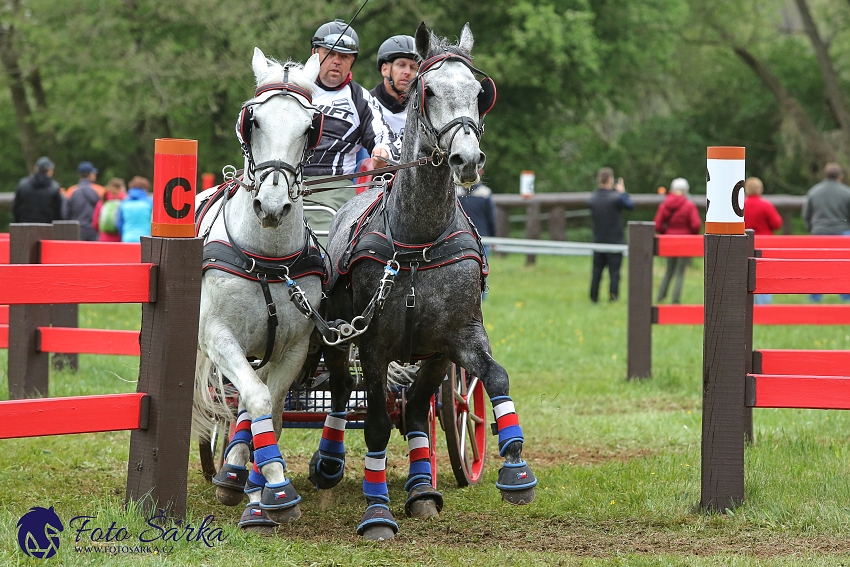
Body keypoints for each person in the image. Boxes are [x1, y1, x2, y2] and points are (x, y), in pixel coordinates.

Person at [305, 19, 398, 233]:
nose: (336, 61)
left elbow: (381, 137)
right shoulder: (291, 88)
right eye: (329, 53)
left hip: (334, 186)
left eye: (344, 56)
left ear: (352, 61)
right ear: (314, 53)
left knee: (320, 252)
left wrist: (381, 152)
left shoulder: (361, 99)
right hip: (283, 179)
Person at [803, 163, 850, 302]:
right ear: (840, 176)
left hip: (819, 232)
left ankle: (815, 296)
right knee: (845, 265)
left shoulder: (814, 191)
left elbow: (806, 214)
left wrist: (811, 229)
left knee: (817, 266)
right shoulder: (846, 192)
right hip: (843, 232)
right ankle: (845, 295)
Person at [588, 167, 634, 303]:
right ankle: (613, 297)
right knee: (614, 272)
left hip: (598, 239)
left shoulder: (593, 198)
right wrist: (622, 192)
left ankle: (593, 297)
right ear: (610, 180)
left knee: (596, 271)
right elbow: (630, 205)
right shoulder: (616, 198)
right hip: (615, 240)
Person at [654, 177, 701, 304]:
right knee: (680, 272)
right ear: (686, 190)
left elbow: (657, 225)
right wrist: (691, 235)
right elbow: (696, 224)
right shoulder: (689, 205)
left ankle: (660, 297)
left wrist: (666, 233)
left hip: (669, 241)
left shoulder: (664, 205)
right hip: (684, 242)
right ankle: (675, 300)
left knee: (668, 270)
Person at [371, 35, 419, 138]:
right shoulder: (365, 104)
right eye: (401, 65)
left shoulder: (421, 110)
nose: (407, 72)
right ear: (385, 69)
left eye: (413, 67)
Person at [12, 156, 64, 224]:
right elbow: (59, 214)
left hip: (25, 229)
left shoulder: (22, 185)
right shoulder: (54, 189)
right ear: (49, 171)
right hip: (48, 230)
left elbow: (15, 209)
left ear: (36, 169)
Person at [65, 161, 102, 241]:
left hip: (77, 230)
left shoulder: (71, 191)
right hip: (94, 231)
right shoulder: (100, 191)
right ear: (90, 174)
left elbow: (65, 213)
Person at [116, 176, 153, 243]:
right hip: (146, 238)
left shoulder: (124, 203)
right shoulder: (149, 202)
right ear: (145, 188)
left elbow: (119, 223)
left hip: (127, 238)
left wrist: (123, 234)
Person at [92, 177, 127, 242]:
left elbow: (95, 223)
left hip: (104, 238)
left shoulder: (102, 202)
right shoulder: (124, 202)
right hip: (120, 239)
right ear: (121, 188)